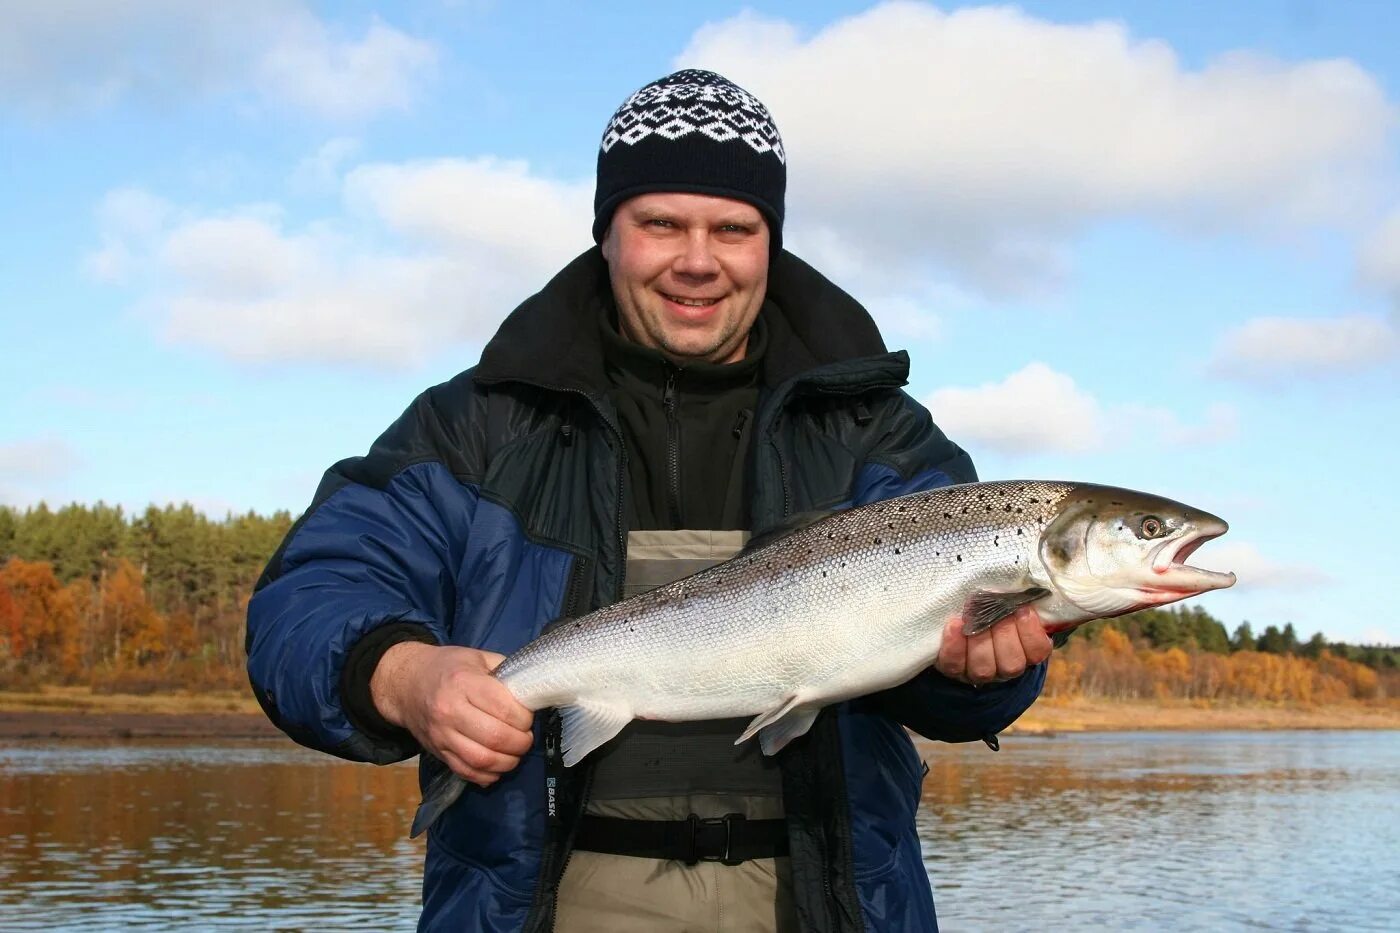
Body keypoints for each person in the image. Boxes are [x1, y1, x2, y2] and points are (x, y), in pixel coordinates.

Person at [246, 69, 1051, 932]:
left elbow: (959, 696)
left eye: (732, 229)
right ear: (607, 234)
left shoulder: (878, 436)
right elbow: (306, 596)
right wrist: (401, 676)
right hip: (551, 904)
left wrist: (980, 675)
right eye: (661, 222)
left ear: (770, 243)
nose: (698, 260)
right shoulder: (476, 425)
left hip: (819, 905)